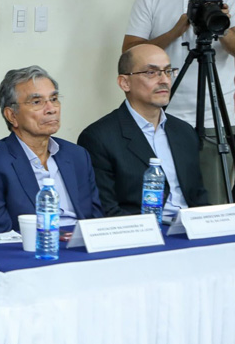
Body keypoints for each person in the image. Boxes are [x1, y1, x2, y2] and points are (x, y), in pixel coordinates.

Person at [123, 0, 235, 204]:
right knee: (164, 198)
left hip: (213, 116)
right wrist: (175, 32)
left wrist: (220, 26)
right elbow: (130, 52)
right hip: (164, 114)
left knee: (214, 204)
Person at [0, 66, 103, 234]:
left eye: (54, 98)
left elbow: (95, 219)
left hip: (81, 246)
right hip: (31, 251)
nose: (51, 109)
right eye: (37, 102)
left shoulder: (77, 156)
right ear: (12, 115)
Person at [78, 45, 209, 219]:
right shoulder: (99, 137)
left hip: (191, 228)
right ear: (125, 83)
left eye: (168, 71)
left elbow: (199, 197)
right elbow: (106, 209)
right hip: (141, 232)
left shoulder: (183, 131)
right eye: (151, 73)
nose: (164, 80)